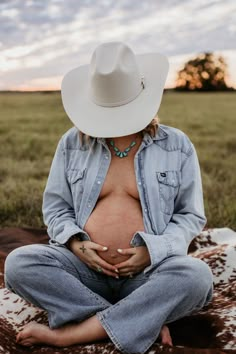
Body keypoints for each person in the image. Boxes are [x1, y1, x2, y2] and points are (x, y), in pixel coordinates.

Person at [4, 41, 214, 354]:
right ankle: (139, 318)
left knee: (196, 276)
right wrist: (76, 244)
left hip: (148, 275)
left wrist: (152, 252)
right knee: (19, 263)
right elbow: (56, 207)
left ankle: (73, 333)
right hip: (81, 271)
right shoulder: (72, 143)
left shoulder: (177, 146)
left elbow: (190, 216)